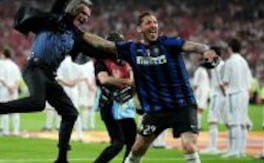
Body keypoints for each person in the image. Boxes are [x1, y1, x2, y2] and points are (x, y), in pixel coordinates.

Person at [0, 0, 112, 162]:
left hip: (49, 74)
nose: (85, 17)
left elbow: (96, 49)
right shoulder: (56, 18)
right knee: (37, 103)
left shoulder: (76, 36)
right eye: (83, 13)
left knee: (70, 113)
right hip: (34, 68)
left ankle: (61, 158)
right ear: (74, 10)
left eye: (88, 15)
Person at [78, 11, 218, 163]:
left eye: (155, 22)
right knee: (137, 148)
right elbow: (104, 44)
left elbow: (195, 46)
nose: (153, 25)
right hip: (155, 110)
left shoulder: (169, 43)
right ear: (139, 28)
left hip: (182, 105)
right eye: (148, 22)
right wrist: (77, 32)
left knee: (189, 146)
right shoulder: (132, 49)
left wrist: (207, 50)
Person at [93, 32, 137, 163]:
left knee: (133, 142)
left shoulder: (126, 63)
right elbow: (103, 79)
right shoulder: (102, 62)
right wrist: (128, 82)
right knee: (118, 143)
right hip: (109, 105)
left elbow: (133, 83)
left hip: (125, 106)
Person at [221, 38, 252, 158]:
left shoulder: (229, 62)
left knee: (234, 123)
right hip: (244, 94)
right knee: (242, 122)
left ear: (230, 48)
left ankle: (234, 150)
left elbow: (225, 82)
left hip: (234, 94)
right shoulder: (244, 61)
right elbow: (248, 81)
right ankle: (242, 150)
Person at [200, 46, 225, 154]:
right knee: (228, 122)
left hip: (217, 96)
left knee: (212, 121)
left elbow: (221, 83)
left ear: (214, 53)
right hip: (220, 96)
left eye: (209, 53)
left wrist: (225, 95)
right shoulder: (221, 63)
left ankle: (213, 147)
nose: (207, 55)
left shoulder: (217, 65)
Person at [192, 58, 210, 130]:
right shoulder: (199, 71)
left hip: (203, 92)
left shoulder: (202, 70)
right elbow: (195, 84)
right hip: (200, 92)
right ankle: (197, 126)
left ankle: (197, 126)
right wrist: (193, 93)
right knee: (199, 109)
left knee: (200, 110)